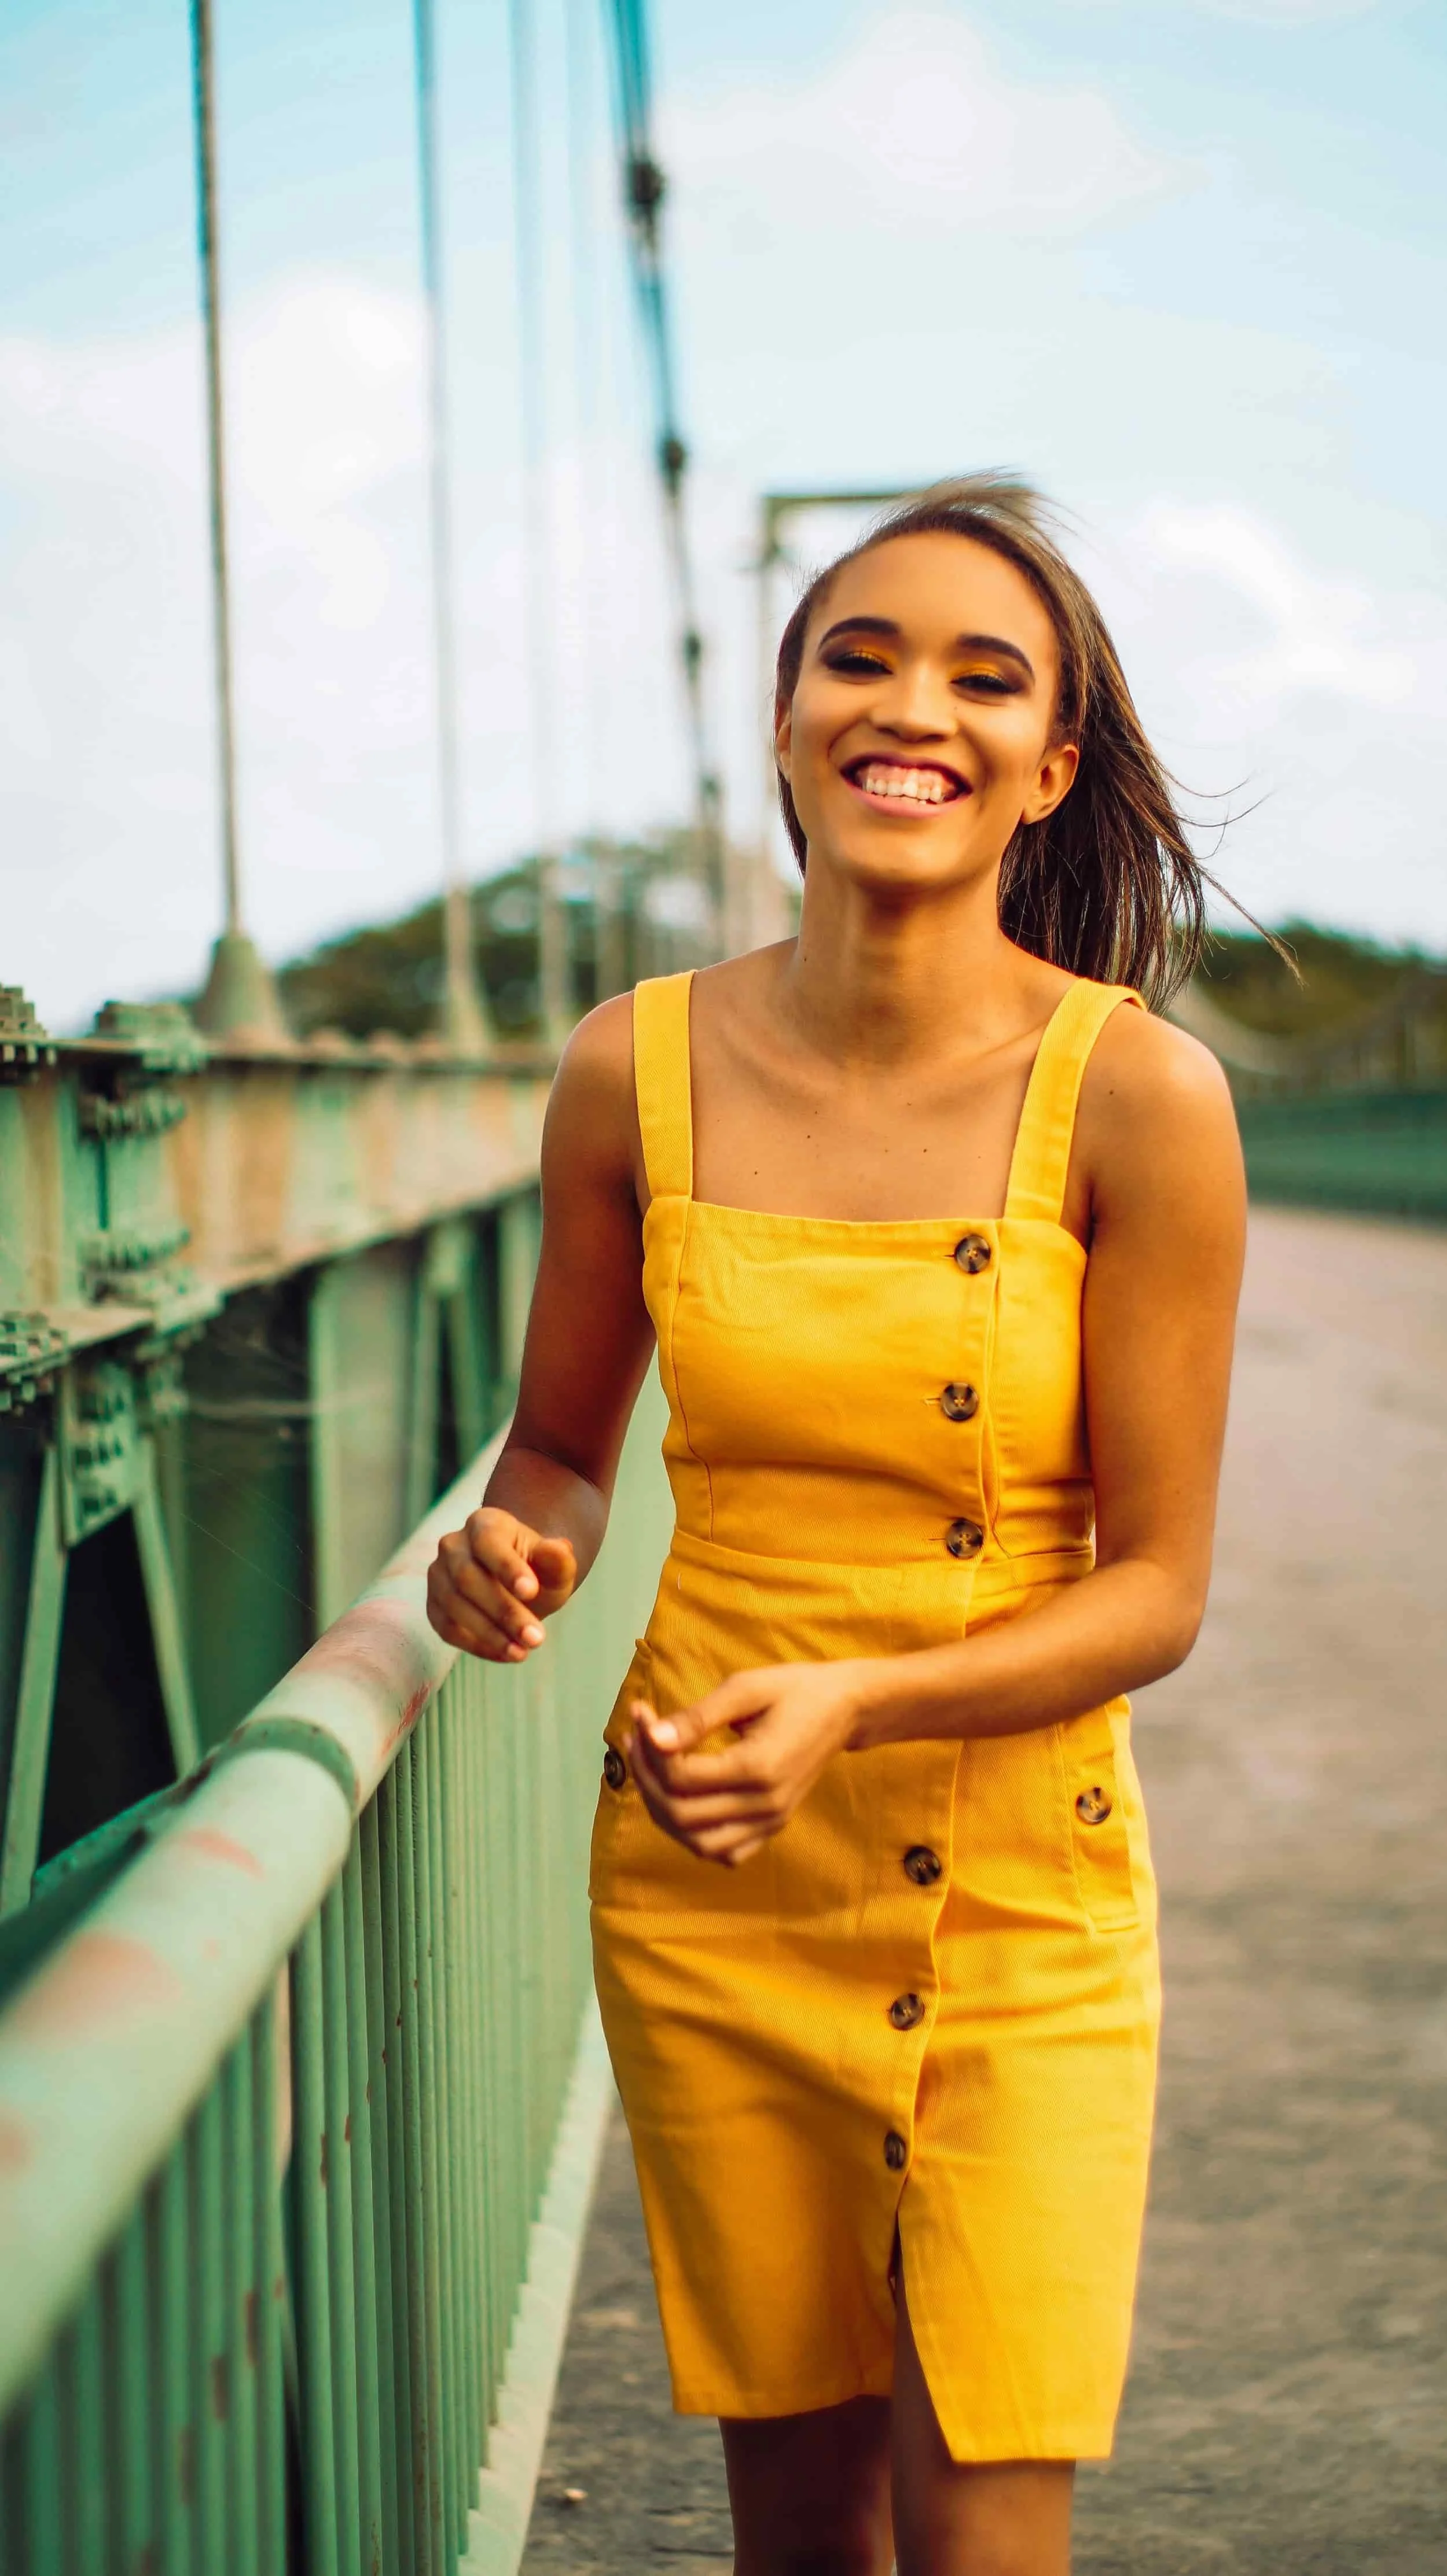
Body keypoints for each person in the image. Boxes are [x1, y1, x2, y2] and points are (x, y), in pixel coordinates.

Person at [427, 476, 1247, 2576]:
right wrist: (502, 1547)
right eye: (861, 659)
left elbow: (1156, 1591)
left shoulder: (1141, 1098)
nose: (914, 709)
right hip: (717, 1874)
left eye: (986, 678)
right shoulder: (628, 1072)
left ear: (1047, 765)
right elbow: (558, 1451)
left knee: (985, 2520)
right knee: (799, 2534)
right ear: (784, 722)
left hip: (1019, 1895)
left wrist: (858, 1700)